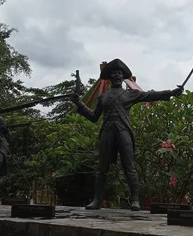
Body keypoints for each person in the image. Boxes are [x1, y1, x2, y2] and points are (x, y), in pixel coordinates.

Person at [71, 59, 183, 211]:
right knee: (102, 168)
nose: (117, 76)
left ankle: (135, 199)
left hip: (123, 131)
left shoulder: (130, 94)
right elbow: (93, 117)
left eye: (119, 73)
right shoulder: (103, 97)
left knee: (129, 166)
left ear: (123, 77)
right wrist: (80, 104)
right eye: (114, 74)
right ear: (109, 78)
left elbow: (151, 95)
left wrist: (171, 93)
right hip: (107, 132)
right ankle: (97, 200)